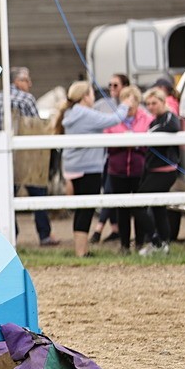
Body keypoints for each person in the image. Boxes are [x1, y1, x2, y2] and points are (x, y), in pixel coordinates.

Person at [55, 81, 130, 257]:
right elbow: (112, 120)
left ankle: (81, 249)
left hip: (74, 166)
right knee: (86, 209)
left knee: (81, 209)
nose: (94, 97)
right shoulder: (84, 113)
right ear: (85, 96)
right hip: (88, 167)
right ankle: (81, 251)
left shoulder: (72, 112)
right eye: (91, 93)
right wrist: (125, 105)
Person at [0, 67, 59, 246]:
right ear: (17, 81)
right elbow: (37, 126)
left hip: (3, 153)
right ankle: (44, 234)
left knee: (7, 194)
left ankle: (11, 233)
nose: (30, 84)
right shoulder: (27, 99)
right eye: (27, 80)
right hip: (26, 154)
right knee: (37, 192)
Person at [103, 85, 151, 254]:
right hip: (118, 170)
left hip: (139, 169)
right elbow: (107, 141)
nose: (130, 106)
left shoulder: (147, 119)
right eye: (126, 101)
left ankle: (139, 243)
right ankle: (124, 245)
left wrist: (135, 144)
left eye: (133, 101)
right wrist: (123, 144)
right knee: (122, 209)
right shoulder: (113, 119)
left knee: (140, 208)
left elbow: (150, 143)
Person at [137, 86, 181, 255]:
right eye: (148, 104)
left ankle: (156, 241)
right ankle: (163, 243)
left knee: (138, 204)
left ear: (163, 102)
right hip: (153, 169)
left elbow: (173, 126)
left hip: (165, 170)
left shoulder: (169, 117)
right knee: (158, 208)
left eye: (154, 103)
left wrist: (148, 133)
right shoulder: (155, 121)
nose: (150, 107)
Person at [92, 73, 129, 243]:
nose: (112, 89)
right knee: (109, 189)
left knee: (109, 190)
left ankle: (98, 229)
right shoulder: (102, 105)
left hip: (123, 156)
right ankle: (115, 228)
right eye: (110, 85)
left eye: (116, 85)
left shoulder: (131, 104)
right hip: (106, 155)